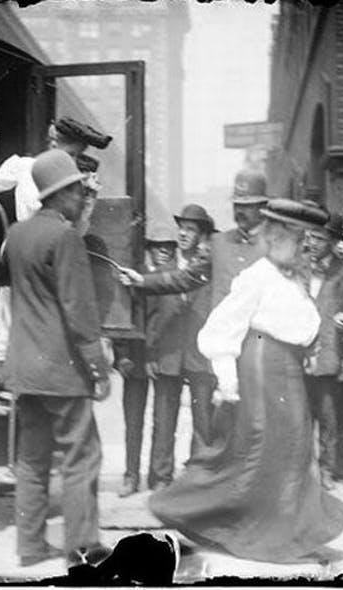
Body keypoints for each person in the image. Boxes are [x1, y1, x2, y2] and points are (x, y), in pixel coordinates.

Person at [148, 198, 343, 564]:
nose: (307, 247)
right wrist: (227, 383)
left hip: (287, 368)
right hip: (260, 365)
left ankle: (286, 529)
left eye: (309, 239)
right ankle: (249, 527)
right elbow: (219, 329)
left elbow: (305, 327)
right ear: (278, 237)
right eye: (301, 239)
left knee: (293, 444)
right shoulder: (256, 276)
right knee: (267, 445)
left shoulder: (293, 277)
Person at [0, 149, 112, 568]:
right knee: (82, 459)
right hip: (62, 370)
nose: (82, 197)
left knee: (31, 460)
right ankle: (82, 552)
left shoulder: (17, 232)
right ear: (58, 194)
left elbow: (3, 277)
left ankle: (30, 547)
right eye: (77, 191)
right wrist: (99, 370)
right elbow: (80, 313)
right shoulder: (65, 237)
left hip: (25, 370)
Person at [0, 120, 111, 356]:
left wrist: (89, 198)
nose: (70, 161)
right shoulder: (23, 167)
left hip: (50, 253)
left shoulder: (72, 181)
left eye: (75, 155)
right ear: (53, 144)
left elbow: (77, 230)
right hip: (23, 247)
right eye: (69, 153)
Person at [127, 205, 217, 492]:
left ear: (203, 235)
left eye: (191, 229)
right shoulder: (163, 273)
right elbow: (153, 318)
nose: (183, 233)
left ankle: (197, 476)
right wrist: (152, 354)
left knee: (203, 419)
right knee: (163, 419)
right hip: (167, 354)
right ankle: (160, 478)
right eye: (182, 227)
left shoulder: (210, 272)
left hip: (201, 355)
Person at [117, 169, 270, 306]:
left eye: (247, 206)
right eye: (237, 205)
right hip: (225, 334)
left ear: (262, 208)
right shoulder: (219, 243)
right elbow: (187, 278)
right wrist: (142, 280)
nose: (240, 211)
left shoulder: (276, 244)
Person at [118, 225, 178, 498]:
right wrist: (122, 355)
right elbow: (120, 317)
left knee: (164, 421)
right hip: (136, 358)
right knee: (133, 422)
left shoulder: (177, 280)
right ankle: (131, 475)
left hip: (164, 358)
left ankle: (160, 477)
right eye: (157, 246)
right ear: (148, 249)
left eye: (168, 247)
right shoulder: (134, 277)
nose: (163, 251)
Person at [302, 211, 343, 489]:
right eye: (309, 236)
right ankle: (304, 470)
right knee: (301, 415)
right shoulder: (298, 269)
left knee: (328, 415)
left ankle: (327, 468)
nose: (312, 242)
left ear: (334, 241)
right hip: (299, 352)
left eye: (319, 237)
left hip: (330, 353)